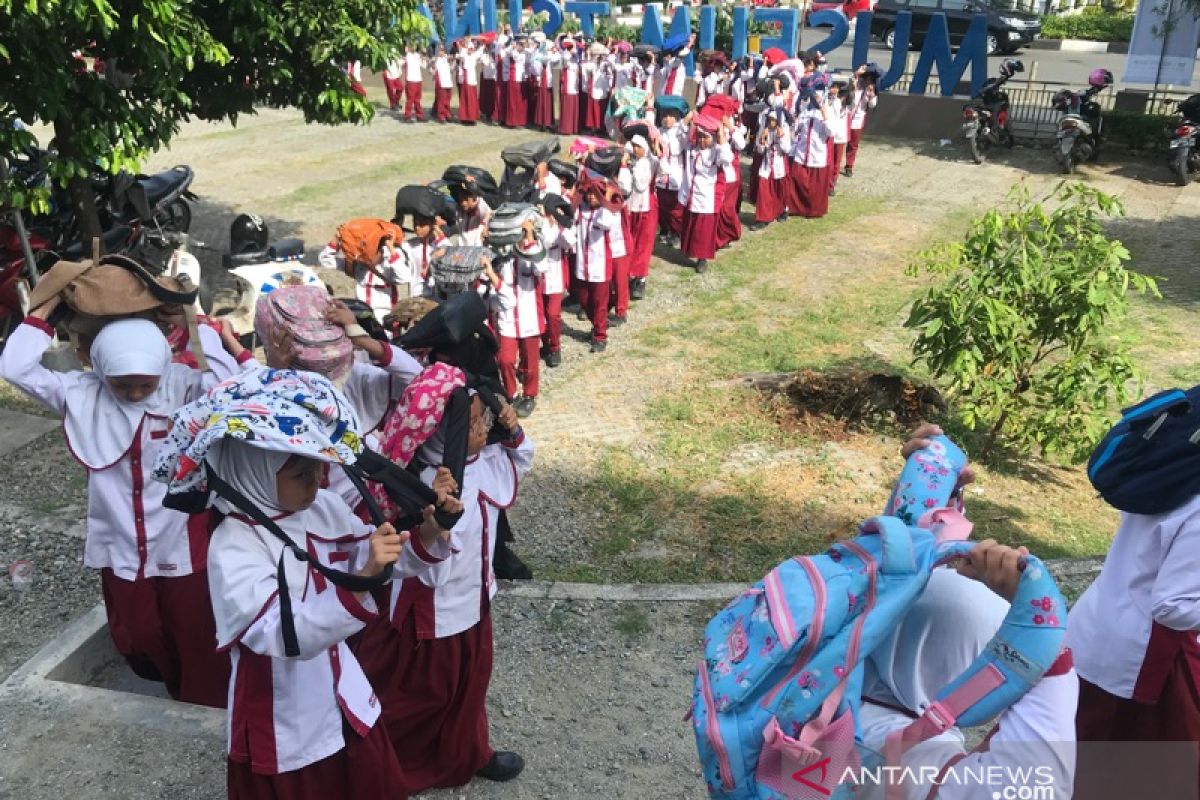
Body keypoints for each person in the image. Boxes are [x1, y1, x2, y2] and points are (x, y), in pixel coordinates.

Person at [160, 373, 460, 800]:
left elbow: (373, 561)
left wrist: (426, 535)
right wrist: (360, 583)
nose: (316, 483)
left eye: (319, 469)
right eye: (301, 473)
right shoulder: (233, 545)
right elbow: (276, 632)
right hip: (282, 713)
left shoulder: (324, 508)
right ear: (253, 469)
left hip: (341, 687)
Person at [0, 311, 249, 708]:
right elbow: (14, 367)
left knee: (196, 634)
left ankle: (200, 705)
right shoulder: (80, 393)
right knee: (139, 634)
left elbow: (229, 383)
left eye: (144, 385)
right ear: (98, 369)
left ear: (162, 370)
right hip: (120, 543)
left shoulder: (183, 388)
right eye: (122, 385)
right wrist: (42, 315)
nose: (135, 394)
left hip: (181, 541)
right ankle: (170, 680)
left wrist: (193, 322)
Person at [357, 370, 534, 793]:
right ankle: (396, 763)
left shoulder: (485, 462)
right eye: (469, 424)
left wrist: (512, 429)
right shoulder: (424, 487)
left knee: (470, 685)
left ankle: (467, 751)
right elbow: (428, 567)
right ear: (441, 432)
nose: (481, 430)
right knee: (423, 693)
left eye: (481, 420)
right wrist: (438, 517)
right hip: (433, 613)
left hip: (474, 602)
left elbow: (520, 461)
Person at [1067, 491, 1200, 798]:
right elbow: (1171, 606)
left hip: (1097, 625)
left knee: (1076, 755)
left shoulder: (1176, 472)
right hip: (1137, 656)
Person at [484, 219, 545, 418]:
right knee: (505, 359)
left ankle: (529, 395)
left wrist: (529, 238)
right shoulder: (503, 258)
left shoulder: (534, 252)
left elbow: (541, 268)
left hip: (529, 317)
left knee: (530, 360)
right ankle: (511, 393)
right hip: (508, 317)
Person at [572, 177, 620, 353]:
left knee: (599, 302)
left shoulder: (607, 212)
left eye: (595, 195)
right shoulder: (581, 211)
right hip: (582, 266)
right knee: (584, 300)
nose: (592, 198)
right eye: (589, 194)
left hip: (599, 265)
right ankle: (597, 325)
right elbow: (569, 214)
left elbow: (605, 222)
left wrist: (606, 197)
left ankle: (600, 336)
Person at [678, 117, 732, 274]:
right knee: (691, 225)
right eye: (700, 136)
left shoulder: (716, 152)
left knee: (704, 230)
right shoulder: (691, 149)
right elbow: (680, 136)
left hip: (707, 197)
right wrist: (688, 121)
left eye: (706, 137)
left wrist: (722, 137)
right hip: (691, 194)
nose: (701, 140)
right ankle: (689, 250)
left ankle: (702, 258)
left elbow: (727, 158)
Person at [618, 135, 658, 301]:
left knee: (643, 243)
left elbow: (642, 185)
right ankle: (628, 275)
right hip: (631, 208)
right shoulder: (631, 162)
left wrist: (631, 168)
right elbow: (625, 187)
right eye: (633, 146)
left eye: (638, 146)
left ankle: (640, 279)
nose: (635, 149)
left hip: (646, 208)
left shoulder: (651, 162)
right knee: (629, 242)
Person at [538, 194, 575, 369]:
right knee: (540, 315)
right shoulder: (537, 224)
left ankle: (555, 347)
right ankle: (545, 344)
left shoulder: (560, 228)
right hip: (537, 278)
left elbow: (569, 242)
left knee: (552, 314)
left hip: (554, 277)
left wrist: (560, 222)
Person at [788, 81, 834, 219]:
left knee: (815, 186)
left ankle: (814, 210)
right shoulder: (806, 111)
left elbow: (831, 132)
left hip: (817, 154)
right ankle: (796, 207)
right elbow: (797, 130)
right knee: (797, 179)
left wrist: (824, 113)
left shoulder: (828, 110)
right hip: (802, 152)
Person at [750, 108, 792, 231]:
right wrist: (762, 139)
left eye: (774, 120)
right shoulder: (765, 130)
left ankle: (782, 210)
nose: (771, 123)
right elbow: (760, 151)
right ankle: (762, 218)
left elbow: (787, 149)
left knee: (780, 190)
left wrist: (781, 136)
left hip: (779, 165)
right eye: (770, 120)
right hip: (766, 166)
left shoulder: (785, 129)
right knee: (763, 191)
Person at [656, 107, 687, 246]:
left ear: (676, 118)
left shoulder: (680, 133)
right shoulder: (658, 131)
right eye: (664, 115)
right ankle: (664, 229)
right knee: (662, 205)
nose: (666, 119)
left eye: (670, 116)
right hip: (661, 176)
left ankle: (676, 233)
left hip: (676, 175)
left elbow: (677, 149)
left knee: (676, 207)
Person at [844, 65, 877, 178]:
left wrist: (871, 95)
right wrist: (856, 75)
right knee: (839, 142)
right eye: (864, 78)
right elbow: (848, 90)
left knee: (853, 144)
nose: (865, 80)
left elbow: (872, 105)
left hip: (858, 120)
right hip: (846, 117)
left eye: (868, 79)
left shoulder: (871, 89)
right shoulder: (854, 83)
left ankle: (849, 166)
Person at [826, 76, 851, 196]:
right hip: (829, 136)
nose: (834, 90)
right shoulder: (827, 101)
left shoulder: (846, 107)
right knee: (828, 162)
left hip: (840, 137)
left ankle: (831, 185)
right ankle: (826, 184)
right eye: (833, 87)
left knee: (836, 163)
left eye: (837, 88)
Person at [557, 39, 581, 136]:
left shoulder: (575, 59)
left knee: (573, 107)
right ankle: (565, 128)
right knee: (567, 107)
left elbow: (577, 66)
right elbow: (565, 63)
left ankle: (573, 127)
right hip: (568, 84)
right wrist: (570, 53)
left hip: (574, 85)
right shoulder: (565, 56)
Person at [456, 39, 482, 124]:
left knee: (473, 100)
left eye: (472, 48)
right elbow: (461, 52)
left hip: (472, 80)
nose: (471, 50)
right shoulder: (464, 56)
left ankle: (472, 118)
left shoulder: (474, 56)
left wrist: (483, 43)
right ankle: (464, 118)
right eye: (469, 48)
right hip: (466, 81)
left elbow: (480, 51)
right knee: (465, 99)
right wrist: (465, 44)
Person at [432, 45, 455, 123]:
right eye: (440, 50)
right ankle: (441, 115)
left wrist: (453, 61)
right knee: (441, 100)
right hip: (441, 82)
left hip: (448, 81)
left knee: (447, 100)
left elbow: (451, 69)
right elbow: (431, 69)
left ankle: (447, 114)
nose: (442, 52)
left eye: (443, 50)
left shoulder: (447, 59)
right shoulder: (436, 60)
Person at [403, 44, 426, 123]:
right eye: (411, 46)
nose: (413, 48)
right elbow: (403, 61)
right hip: (410, 80)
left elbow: (424, 66)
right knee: (410, 99)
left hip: (418, 79)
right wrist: (406, 51)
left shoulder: (417, 55)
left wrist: (423, 55)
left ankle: (419, 116)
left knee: (417, 99)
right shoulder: (407, 56)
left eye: (413, 46)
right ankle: (407, 116)